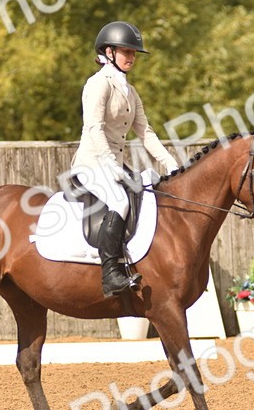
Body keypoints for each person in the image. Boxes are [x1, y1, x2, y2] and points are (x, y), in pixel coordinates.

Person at [71, 21, 180, 297]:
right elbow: (93, 128)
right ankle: (111, 275)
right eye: (125, 51)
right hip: (92, 164)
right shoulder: (98, 84)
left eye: (133, 53)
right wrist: (110, 165)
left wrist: (171, 164)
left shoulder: (130, 91)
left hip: (115, 166)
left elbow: (146, 132)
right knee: (119, 201)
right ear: (109, 52)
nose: (131, 57)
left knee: (150, 187)